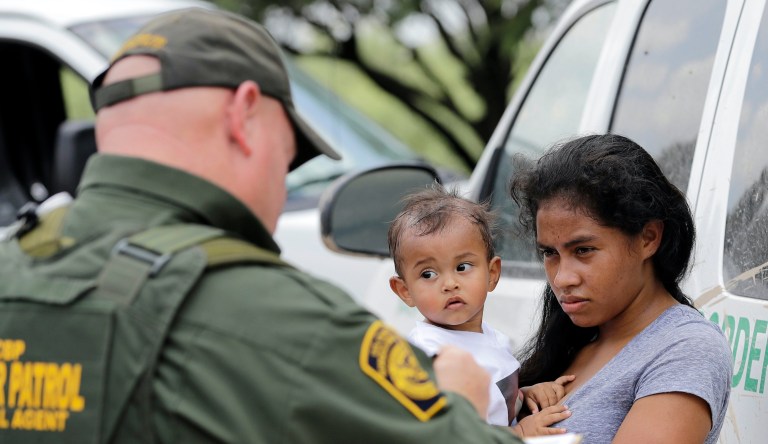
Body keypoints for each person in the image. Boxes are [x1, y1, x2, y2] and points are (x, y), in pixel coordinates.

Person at [0, 8, 525, 444]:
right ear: (244, 113)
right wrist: (460, 402)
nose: (280, 191)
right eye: (289, 156)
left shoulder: (11, 269)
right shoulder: (288, 320)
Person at [509, 134, 732, 444]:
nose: (562, 279)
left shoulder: (686, 348)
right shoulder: (570, 343)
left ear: (648, 238)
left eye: (583, 250)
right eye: (550, 253)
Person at [387, 184, 575, 436]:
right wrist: (519, 433)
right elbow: (453, 434)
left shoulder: (490, 338)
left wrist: (524, 395)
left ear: (492, 274)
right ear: (405, 291)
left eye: (462, 267)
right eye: (428, 274)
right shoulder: (431, 356)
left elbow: (492, 402)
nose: (449, 283)